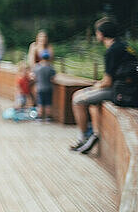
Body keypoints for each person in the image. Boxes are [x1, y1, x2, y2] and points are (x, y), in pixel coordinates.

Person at [70, 19, 137, 153]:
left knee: (77, 99)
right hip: (128, 88)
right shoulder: (124, 46)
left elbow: (107, 82)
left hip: (120, 91)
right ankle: (95, 132)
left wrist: (96, 86)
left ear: (101, 34)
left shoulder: (111, 51)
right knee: (89, 99)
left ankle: (84, 136)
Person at [32, 51, 56, 121]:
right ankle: (48, 117)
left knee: (40, 103)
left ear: (41, 57)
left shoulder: (37, 67)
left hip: (39, 87)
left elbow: (34, 77)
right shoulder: (51, 67)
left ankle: (40, 117)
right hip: (49, 88)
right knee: (48, 103)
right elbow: (53, 78)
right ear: (48, 58)